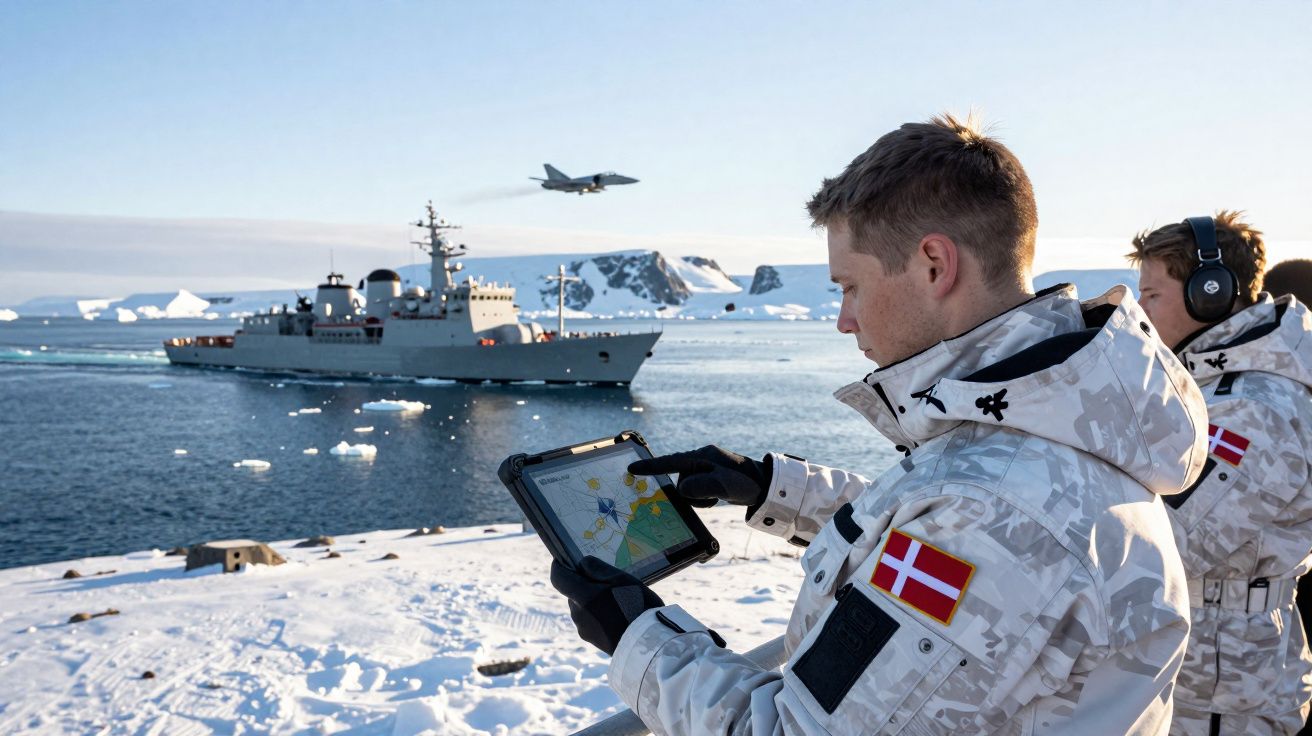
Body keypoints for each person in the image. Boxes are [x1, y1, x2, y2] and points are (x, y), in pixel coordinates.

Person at [551, 113, 1210, 735]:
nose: (844, 319)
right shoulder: (1049, 423)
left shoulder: (994, 511)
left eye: (851, 287)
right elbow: (931, 530)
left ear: (934, 265)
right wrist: (765, 487)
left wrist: (638, 639)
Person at [1130, 215, 1312, 735]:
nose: (1140, 312)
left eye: (1151, 295)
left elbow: (1170, 544)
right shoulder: (1218, 383)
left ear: (1209, 295)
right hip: (1213, 671)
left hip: (1224, 690)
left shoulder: (1254, 409)